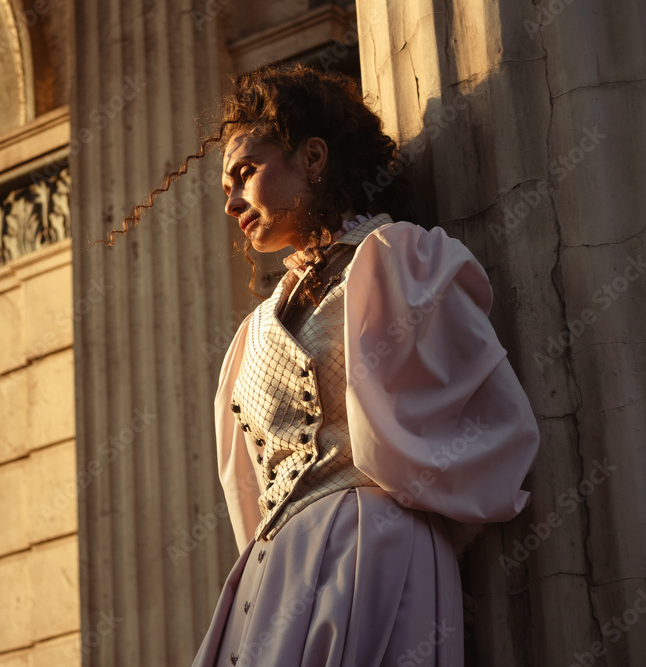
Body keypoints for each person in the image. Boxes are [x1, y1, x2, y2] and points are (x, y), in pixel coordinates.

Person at [104, 64, 540, 666]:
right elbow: (247, 487)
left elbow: (486, 425)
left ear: (312, 157)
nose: (231, 203)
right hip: (272, 571)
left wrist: (418, 534)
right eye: (225, 189)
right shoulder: (254, 330)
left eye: (244, 174)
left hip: (375, 552)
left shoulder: (401, 261)